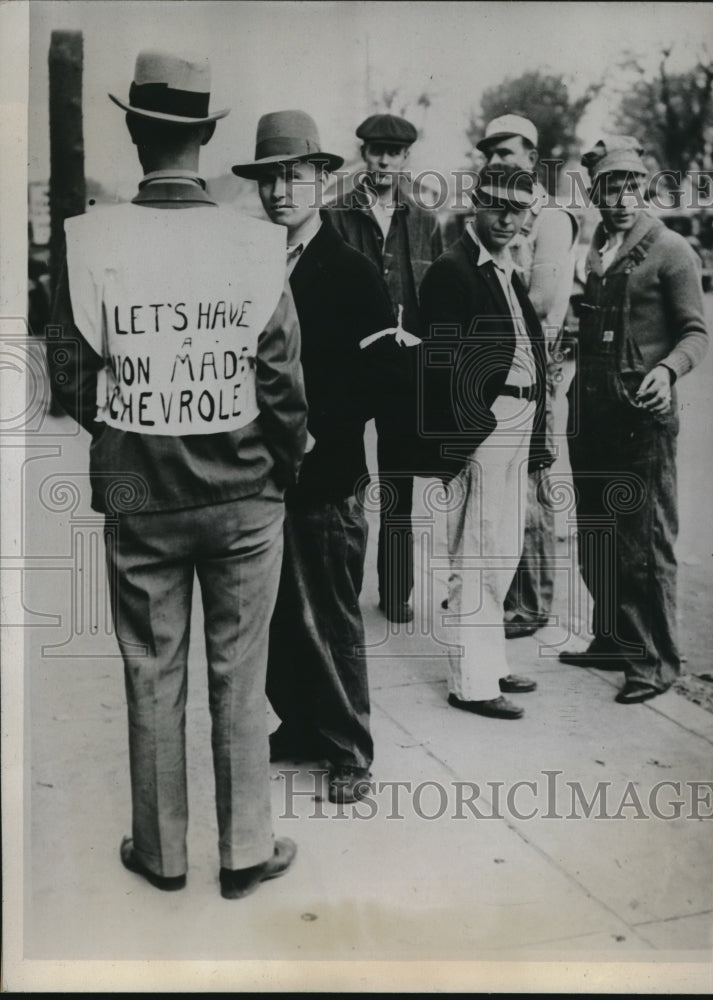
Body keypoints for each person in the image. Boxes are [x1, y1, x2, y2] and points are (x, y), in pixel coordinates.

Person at [48, 51, 308, 899]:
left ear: (132, 131)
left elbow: (72, 378)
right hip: (242, 495)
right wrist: (277, 463)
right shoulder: (257, 243)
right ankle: (243, 852)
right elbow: (282, 384)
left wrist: (136, 429)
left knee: (151, 669)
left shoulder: (86, 239)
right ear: (205, 135)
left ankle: (161, 854)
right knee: (241, 674)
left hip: (138, 486)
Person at [232, 111, 397, 803]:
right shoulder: (244, 266)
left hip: (327, 476)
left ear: (325, 182)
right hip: (260, 477)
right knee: (272, 616)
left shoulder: (353, 271)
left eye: (294, 177)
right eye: (269, 180)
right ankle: (298, 725)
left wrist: (314, 433)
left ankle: (350, 747)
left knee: (329, 615)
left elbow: (380, 379)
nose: (279, 193)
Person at [560, 136, 708, 703]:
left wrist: (668, 371)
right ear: (595, 194)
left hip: (641, 420)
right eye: (608, 188)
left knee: (643, 544)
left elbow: (695, 332)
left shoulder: (671, 250)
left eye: (629, 186)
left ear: (643, 188)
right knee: (596, 537)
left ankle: (654, 663)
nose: (620, 199)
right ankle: (613, 640)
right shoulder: (597, 248)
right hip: (591, 414)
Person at [419, 167, 553, 720]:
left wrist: (535, 437)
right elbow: (441, 368)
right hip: (485, 428)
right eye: (497, 206)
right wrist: (468, 441)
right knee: (473, 556)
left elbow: (530, 346)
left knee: (500, 553)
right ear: (475, 204)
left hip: (516, 420)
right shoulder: (453, 271)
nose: (508, 220)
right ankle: (471, 683)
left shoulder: (505, 269)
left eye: (519, 211)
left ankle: (489, 663)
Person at [329, 113, 443, 624]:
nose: (383, 161)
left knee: (399, 485)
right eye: (375, 150)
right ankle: (342, 585)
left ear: (406, 160)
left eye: (393, 153)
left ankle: (396, 589)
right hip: (350, 366)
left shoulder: (424, 221)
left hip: (403, 368)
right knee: (346, 479)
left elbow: (435, 299)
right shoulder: (334, 216)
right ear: (364, 154)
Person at [475, 114, 579, 639]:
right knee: (503, 485)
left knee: (532, 482)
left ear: (532, 160)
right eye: (490, 153)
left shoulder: (550, 219)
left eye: (507, 152)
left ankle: (532, 604)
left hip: (536, 365)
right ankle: (511, 594)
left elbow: (540, 301)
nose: (496, 160)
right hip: (502, 365)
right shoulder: (499, 212)